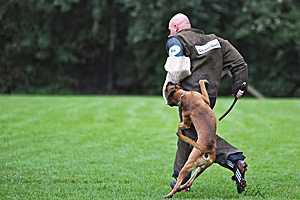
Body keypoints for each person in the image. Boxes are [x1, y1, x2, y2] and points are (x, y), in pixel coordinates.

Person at [163, 13, 248, 194]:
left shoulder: (179, 39)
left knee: (199, 137)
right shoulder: (216, 41)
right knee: (188, 132)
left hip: (189, 98)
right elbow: (239, 63)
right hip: (208, 96)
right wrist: (239, 85)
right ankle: (180, 178)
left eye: (170, 31)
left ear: (176, 28)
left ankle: (234, 158)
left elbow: (176, 65)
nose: (170, 35)